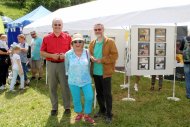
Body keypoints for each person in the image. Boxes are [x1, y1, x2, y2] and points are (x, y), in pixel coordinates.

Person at [40, 18, 71, 116]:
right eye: (55, 24)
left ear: (62, 25)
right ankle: (54, 107)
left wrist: (65, 55)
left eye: (59, 24)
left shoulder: (68, 37)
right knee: (52, 86)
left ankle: (67, 107)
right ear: (52, 25)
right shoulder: (46, 38)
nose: (57, 26)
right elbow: (41, 52)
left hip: (63, 65)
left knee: (65, 86)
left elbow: (72, 52)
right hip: (51, 64)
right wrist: (51, 55)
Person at [89, 23, 118, 123]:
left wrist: (102, 60)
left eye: (99, 29)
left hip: (106, 72)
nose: (97, 31)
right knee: (99, 93)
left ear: (103, 30)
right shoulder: (92, 43)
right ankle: (102, 110)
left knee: (107, 94)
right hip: (96, 72)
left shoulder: (110, 42)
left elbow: (114, 56)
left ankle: (109, 114)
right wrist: (91, 58)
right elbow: (90, 54)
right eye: (96, 30)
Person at [65, 33, 95, 124]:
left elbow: (90, 64)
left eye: (80, 41)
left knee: (89, 97)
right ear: (72, 43)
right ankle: (79, 113)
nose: (77, 43)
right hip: (73, 81)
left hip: (86, 80)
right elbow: (66, 67)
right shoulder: (68, 54)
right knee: (76, 98)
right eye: (75, 42)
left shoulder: (87, 52)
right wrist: (70, 76)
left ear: (83, 43)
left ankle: (86, 114)